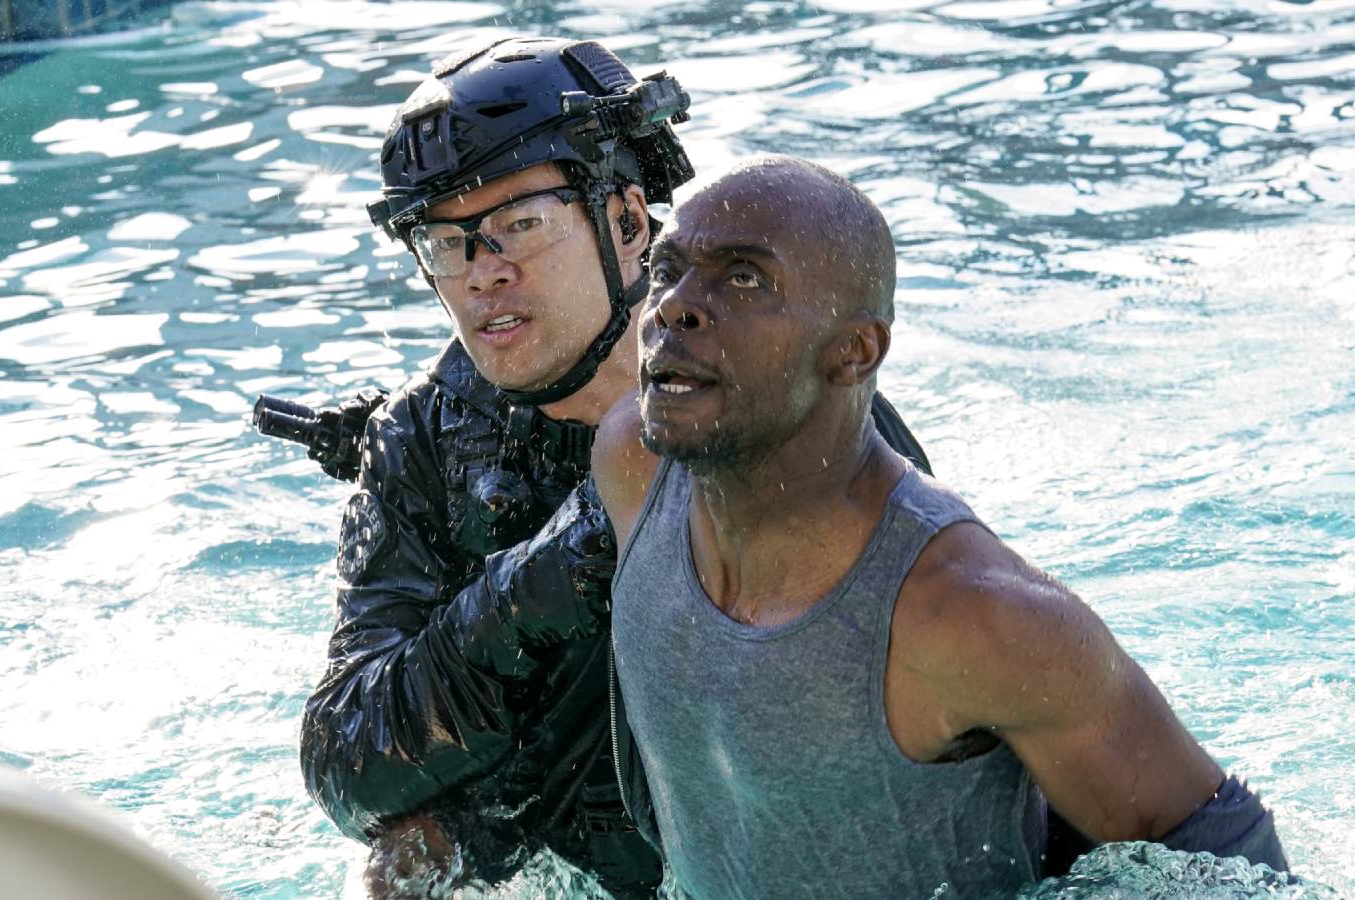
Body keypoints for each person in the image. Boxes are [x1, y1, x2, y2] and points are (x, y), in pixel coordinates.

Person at [288, 37, 936, 896]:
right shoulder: (422, 442)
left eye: (520, 225)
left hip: (772, 845)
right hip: (557, 860)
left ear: (628, 222)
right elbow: (345, 761)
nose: (483, 274)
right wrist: (559, 567)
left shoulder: (776, 396)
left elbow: (936, 672)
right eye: (445, 243)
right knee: (404, 866)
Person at [590, 155, 1288, 899]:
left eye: (744, 279)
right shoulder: (631, 465)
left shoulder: (968, 618)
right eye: (668, 271)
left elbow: (1229, 859)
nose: (675, 307)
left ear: (854, 351)